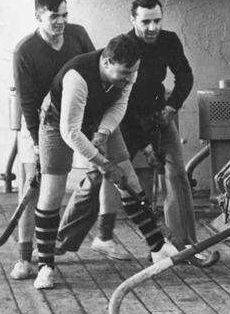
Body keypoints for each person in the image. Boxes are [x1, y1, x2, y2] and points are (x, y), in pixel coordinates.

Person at [31, 35, 175, 291]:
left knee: (128, 178)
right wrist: (103, 163)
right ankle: (45, 265)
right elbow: (71, 132)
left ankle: (157, 248)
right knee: (52, 191)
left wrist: (103, 133)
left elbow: (120, 104)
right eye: (125, 74)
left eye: (133, 73)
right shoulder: (77, 77)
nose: (130, 79)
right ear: (107, 62)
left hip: (99, 118)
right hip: (58, 123)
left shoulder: (128, 71)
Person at [9, 0, 122, 283]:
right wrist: (35, 143)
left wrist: (98, 127)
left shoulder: (78, 35)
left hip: (78, 117)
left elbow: (97, 71)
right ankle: (24, 258)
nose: (60, 21)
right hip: (41, 122)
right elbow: (28, 101)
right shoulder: (25, 51)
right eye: (54, 16)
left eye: (64, 15)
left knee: (99, 172)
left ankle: (62, 238)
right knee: (34, 186)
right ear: (38, 16)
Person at [109, 0, 203, 254]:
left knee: (177, 175)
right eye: (146, 22)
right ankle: (69, 238)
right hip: (127, 120)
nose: (153, 28)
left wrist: (172, 107)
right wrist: (148, 146)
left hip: (160, 116)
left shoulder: (169, 40)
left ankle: (186, 244)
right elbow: (119, 95)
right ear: (133, 19)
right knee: (101, 177)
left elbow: (185, 75)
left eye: (157, 21)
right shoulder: (125, 45)